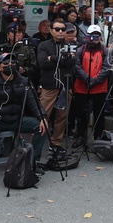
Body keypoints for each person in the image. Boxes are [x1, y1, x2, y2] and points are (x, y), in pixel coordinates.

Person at [0, 52, 48, 183]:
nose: (10, 65)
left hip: (18, 120)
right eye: (6, 63)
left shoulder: (24, 82)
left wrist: (42, 117)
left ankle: (33, 162)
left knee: (42, 126)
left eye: (13, 62)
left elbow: (34, 102)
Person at [37, 18, 76, 162]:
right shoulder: (44, 45)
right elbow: (42, 63)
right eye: (57, 29)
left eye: (63, 30)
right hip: (49, 87)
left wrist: (52, 58)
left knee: (61, 117)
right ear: (51, 30)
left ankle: (56, 143)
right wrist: (60, 59)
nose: (60, 32)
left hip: (65, 86)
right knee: (43, 116)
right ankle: (36, 144)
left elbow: (72, 62)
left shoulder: (70, 45)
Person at [71, 25, 112, 146]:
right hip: (82, 87)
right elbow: (76, 66)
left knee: (99, 114)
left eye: (96, 36)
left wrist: (95, 80)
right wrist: (86, 78)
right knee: (81, 114)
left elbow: (107, 67)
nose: (93, 39)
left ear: (100, 37)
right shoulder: (80, 50)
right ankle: (81, 136)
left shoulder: (105, 50)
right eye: (91, 36)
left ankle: (98, 136)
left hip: (99, 87)